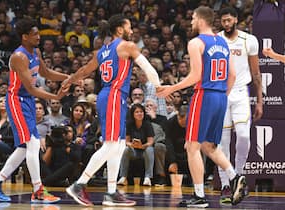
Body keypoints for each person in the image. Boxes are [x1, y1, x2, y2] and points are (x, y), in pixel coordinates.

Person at [61, 14, 161, 207]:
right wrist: (159, 87)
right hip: (115, 95)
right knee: (112, 145)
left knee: (120, 144)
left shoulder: (102, 51)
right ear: (120, 29)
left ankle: (112, 192)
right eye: (129, 27)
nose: (132, 31)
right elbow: (148, 68)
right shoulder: (127, 46)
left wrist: (68, 80)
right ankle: (79, 184)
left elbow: (84, 71)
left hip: (108, 95)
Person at [156, 6, 246, 208]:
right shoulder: (223, 42)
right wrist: (223, 94)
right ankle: (234, 177)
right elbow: (232, 75)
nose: (191, 22)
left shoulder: (196, 43)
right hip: (221, 96)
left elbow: (195, 76)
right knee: (208, 145)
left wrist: (172, 87)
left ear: (201, 19)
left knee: (191, 145)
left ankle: (199, 196)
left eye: (193, 18)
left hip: (204, 95)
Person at [0, 18, 69, 203]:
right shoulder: (18, 57)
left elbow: (45, 73)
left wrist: (68, 78)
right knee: (33, 143)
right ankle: (38, 189)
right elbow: (30, 88)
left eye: (38, 33)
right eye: (35, 34)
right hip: (17, 100)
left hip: (28, 100)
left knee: (24, 147)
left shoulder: (36, 51)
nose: (39, 37)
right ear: (24, 37)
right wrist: (56, 97)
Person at [217, 7, 263, 205]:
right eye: (223, 21)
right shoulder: (216, 39)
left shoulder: (249, 40)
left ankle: (240, 177)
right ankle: (226, 184)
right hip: (220, 92)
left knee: (243, 135)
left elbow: (256, 72)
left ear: (236, 19)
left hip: (241, 93)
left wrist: (260, 100)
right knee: (223, 141)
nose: (226, 24)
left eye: (229, 20)